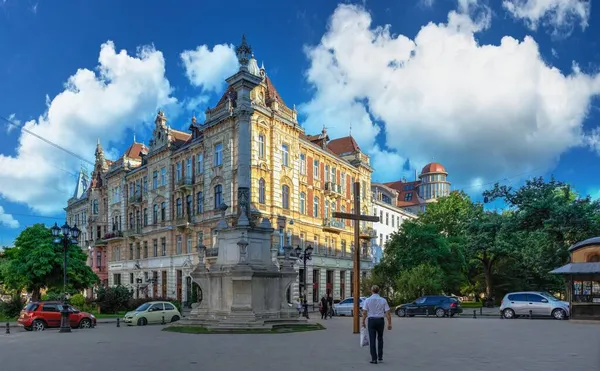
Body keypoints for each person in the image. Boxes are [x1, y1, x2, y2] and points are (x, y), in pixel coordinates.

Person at [362, 285, 392, 364]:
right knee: (380, 338)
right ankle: (380, 356)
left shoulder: (367, 300)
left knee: (372, 339)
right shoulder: (383, 300)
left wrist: (363, 322)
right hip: (380, 321)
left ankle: (374, 358)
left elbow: (364, 313)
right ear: (378, 291)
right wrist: (389, 323)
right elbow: (388, 313)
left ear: (371, 291)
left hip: (371, 320)